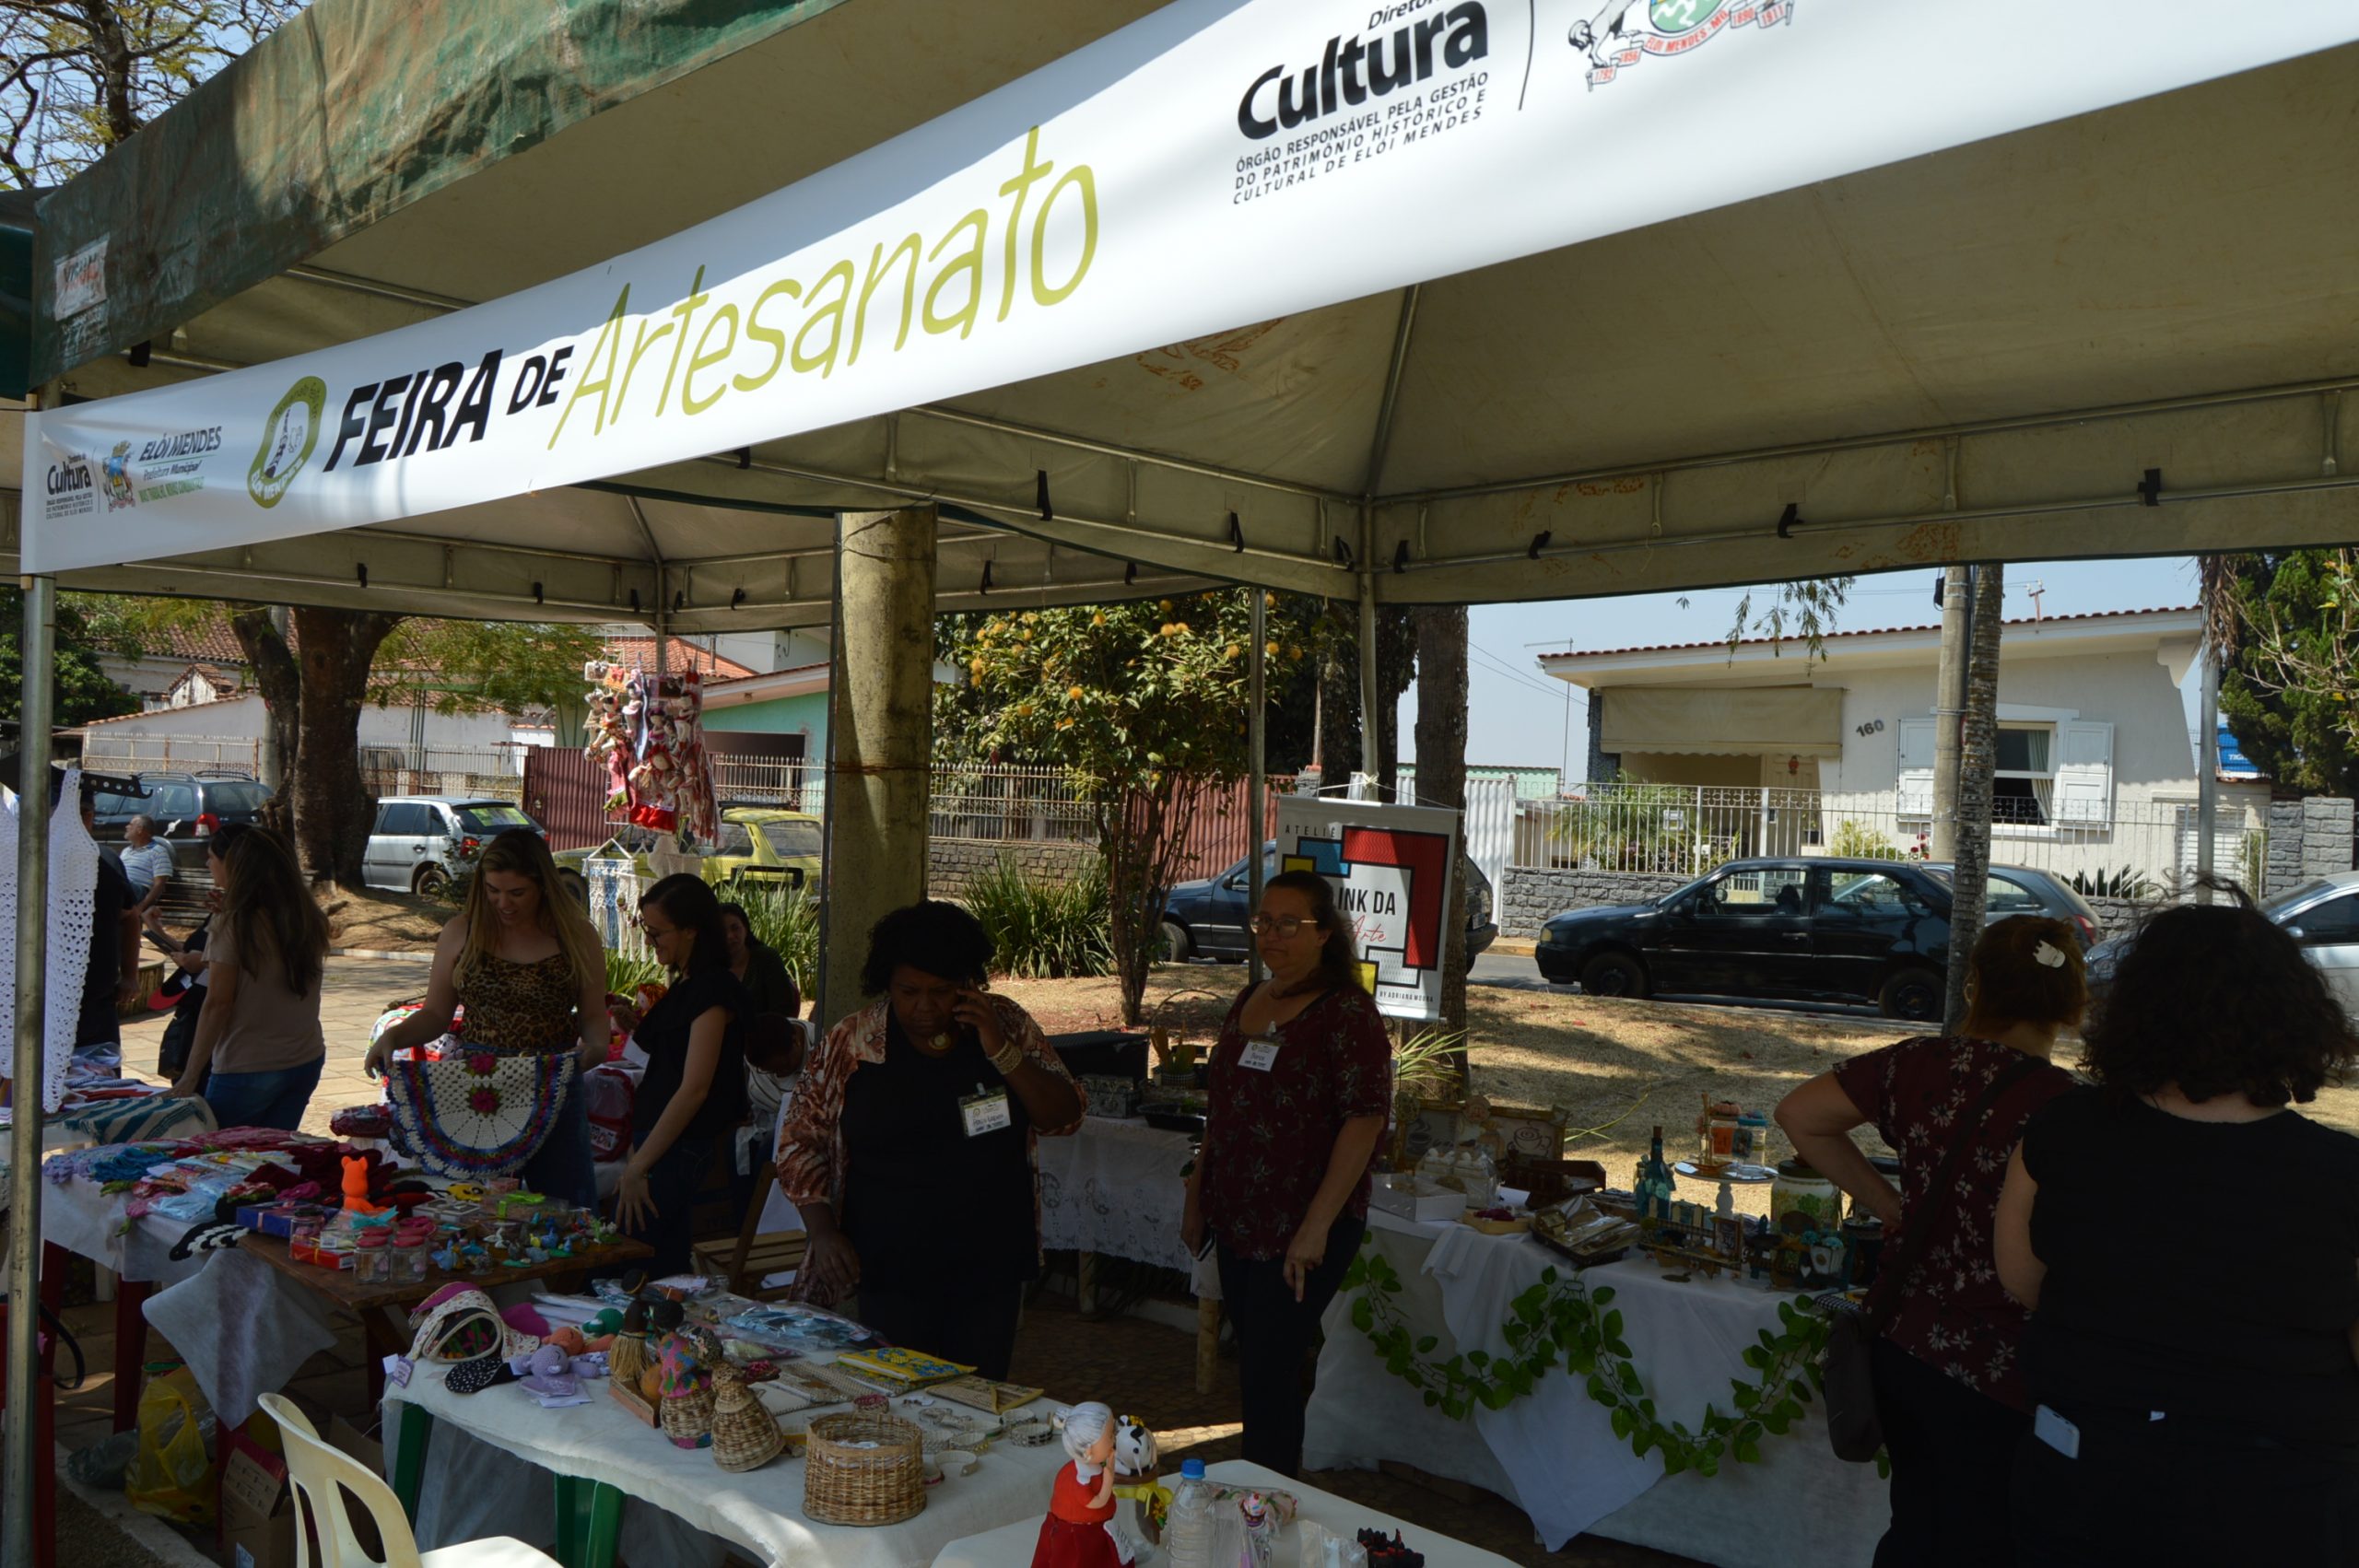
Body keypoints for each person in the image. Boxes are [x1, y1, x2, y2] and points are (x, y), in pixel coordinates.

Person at [1994, 894, 2359, 1563]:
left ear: (2136, 1010)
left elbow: (2022, 1279)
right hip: (2275, 1492)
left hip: (2085, 1471)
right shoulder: (2339, 1173)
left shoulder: (2063, 1130)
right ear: (2291, 1016)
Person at [1774, 916, 2087, 1568]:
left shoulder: (1918, 1064)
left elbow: (1800, 1115)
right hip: (2004, 1363)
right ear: (2070, 1004)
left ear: (1975, 986)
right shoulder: (2069, 1107)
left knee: (1919, 1523)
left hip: (1904, 1341)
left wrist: (1888, 1205)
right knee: (1987, 1538)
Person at [775, 900, 1082, 1379]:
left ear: (967, 984)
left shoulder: (1006, 1024)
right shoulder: (854, 1041)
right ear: (887, 985)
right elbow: (799, 1140)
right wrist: (823, 1231)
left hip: (989, 1262)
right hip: (888, 1264)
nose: (924, 1006)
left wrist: (1000, 1049)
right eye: (908, 991)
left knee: (978, 1395)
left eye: (940, 991)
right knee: (900, 1396)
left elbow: (1063, 1117)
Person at [1183, 871, 1391, 1479]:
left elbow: (1364, 1121)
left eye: (1288, 924)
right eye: (1264, 922)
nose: (1271, 934)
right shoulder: (1250, 998)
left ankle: (1265, 1502)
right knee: (1254, 1362)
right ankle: (1261, 1492)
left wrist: (1315, 1227)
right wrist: (1197, 1197)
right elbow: (1222, 1110)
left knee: (1271, 1371)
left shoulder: (1347, 1012)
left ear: (1324, 933)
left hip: (1303, 1226)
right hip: (1237, 1218)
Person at [366, 828, 608, 1206]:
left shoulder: (577, 935)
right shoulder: (461, 931)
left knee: (566, 1209)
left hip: (553, 1085)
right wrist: (392, 1038)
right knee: (477, 1210)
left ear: (543, 885)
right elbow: (436, 1014)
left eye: (517, 893)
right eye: (493, 890)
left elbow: (593, 1016)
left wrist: (595, 1048)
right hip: (480, 1089)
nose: (503, 903)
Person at [620, 874, 751, 1275]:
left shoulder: (712, 990)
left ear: (691, 930)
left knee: (633, 1260)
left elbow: (694, 1088)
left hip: (677, 1147)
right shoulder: (688, 984)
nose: (651, 941)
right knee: (654, 1263)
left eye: (658, 933)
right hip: (659, 1143)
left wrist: (639, 1164)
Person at [170, 825, 329, 1129]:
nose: (208, 864)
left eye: (212, 857)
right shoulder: (307, 916)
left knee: (224, 1154)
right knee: (273, 1152)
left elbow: (218, 1003)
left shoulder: (234, 923)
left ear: (233, 865)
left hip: (248, 1066)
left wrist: (190, 1075)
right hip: (304, 1058)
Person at [73, 781, 143, 1070]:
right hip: (38, 1007)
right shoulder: (28, 862)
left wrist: (130, 975)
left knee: (99, 1085)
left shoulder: (108, 861)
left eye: (85, 814)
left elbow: (130, 917)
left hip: (96, 1005)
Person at [719, 900, 802, 1020]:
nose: (730, 936)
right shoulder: (711, 966)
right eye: (723, 931)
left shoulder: (767, 958)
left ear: (746, 928)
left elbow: (783, 1008)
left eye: (735, 928)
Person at [119, 815, 175, 938]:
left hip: (138, 889)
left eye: (131, 824)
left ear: (140, 829)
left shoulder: (158, 851)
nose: (127, 827)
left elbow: (159, 884)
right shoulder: (126, 851)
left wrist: (141, 908)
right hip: (123, 888)